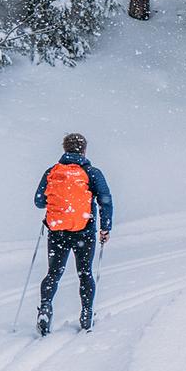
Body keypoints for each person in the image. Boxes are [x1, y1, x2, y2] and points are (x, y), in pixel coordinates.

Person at [34, 132, 114, 335]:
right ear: (84, 150)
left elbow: (39, 201)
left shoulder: (52, 172)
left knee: (53, 273)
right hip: (83, 231)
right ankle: (86, 314)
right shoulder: (92, 173)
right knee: (85, 272)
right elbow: (105, 199)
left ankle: (45, 307)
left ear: (65, 149)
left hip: (57, 231)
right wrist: (105, 227)